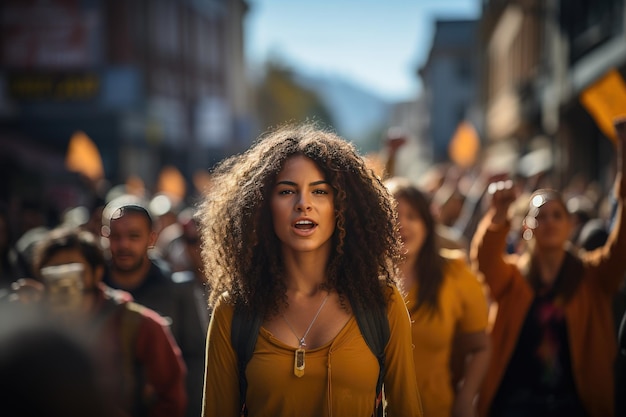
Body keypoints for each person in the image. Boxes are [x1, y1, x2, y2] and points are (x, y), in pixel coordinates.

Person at [198, 122, 423, 417]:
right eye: (287, 191)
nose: (304, 204)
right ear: (261, 207)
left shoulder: (383, 302)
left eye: (319, 192)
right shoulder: (234, 311)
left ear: (343, 205)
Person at [470, 117, 626, 417]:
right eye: (541, 216)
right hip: (515, 406)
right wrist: (498, 216)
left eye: (558, 215)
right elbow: (486, 261)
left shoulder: (593, 277)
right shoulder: (514, 278)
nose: (550, 221)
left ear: (570, 225)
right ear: (527, 228)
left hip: (576, 407)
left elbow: (621, 248)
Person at [31, 227, 187, 417]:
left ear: (96, 272)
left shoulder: (140, 325)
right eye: (54, 272)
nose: (64, 280)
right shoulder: (33, 329)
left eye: (72, 269)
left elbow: (171, 398)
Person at [385, 177, 490, 417]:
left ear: (428, 225)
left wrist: (465, 398)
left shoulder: (454, 273)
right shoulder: (360, 279)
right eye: (393, 215)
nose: (402, 225)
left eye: (412, 216)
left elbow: (481, 346)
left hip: (435, 408)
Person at [102, 204, 208, 417]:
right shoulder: (94, 291)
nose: (124, 245)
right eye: (116, 236)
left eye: (134, 236)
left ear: (151, 239)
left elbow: (196, 362)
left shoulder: (177, 292)